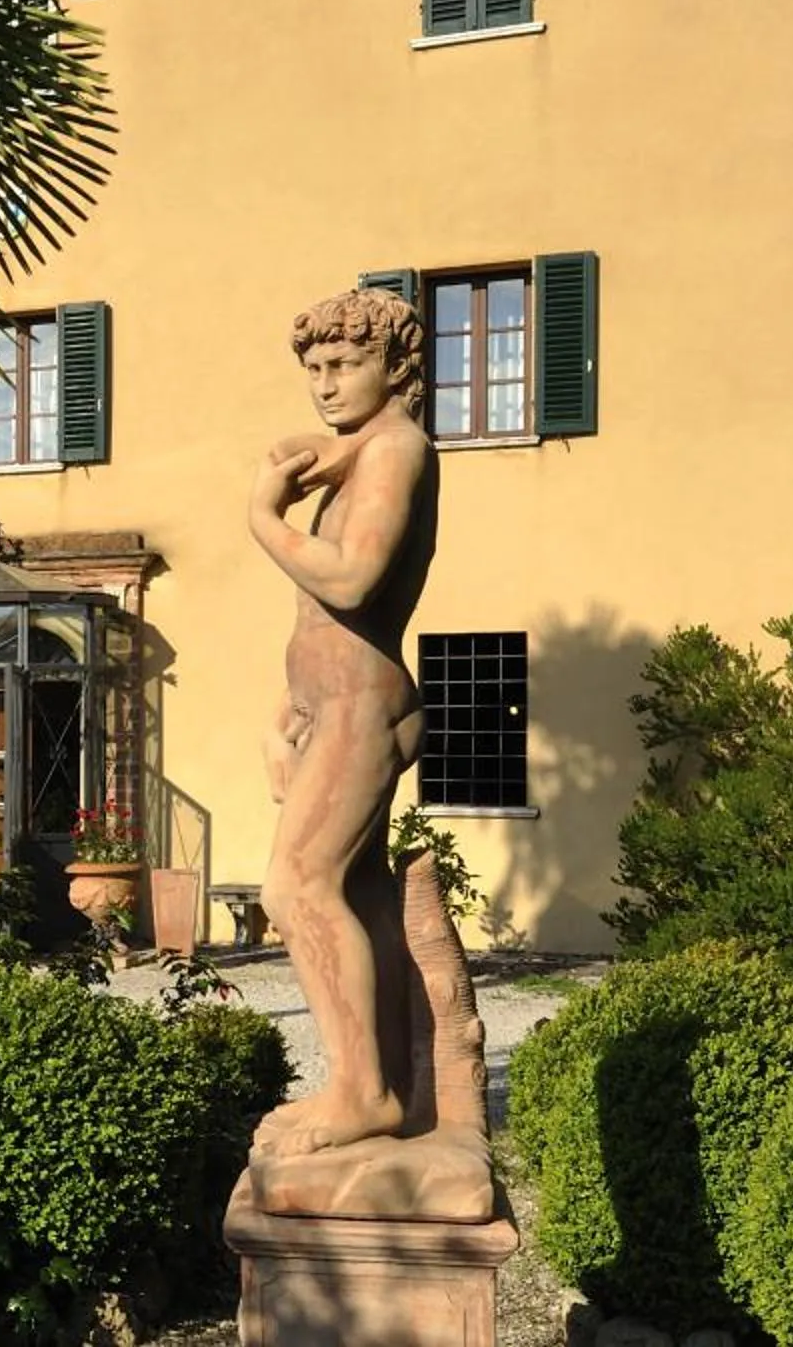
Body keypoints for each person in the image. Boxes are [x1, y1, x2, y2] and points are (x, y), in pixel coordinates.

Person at [245, 286, 439, 1159]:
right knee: (356, 895)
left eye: (343, 364)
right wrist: (288, 707)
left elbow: (355, 583)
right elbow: (324, 618)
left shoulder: (397, 449)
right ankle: (378, 1084)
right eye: (313, 369)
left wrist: (261, 519)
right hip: (336, 705)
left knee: (295, 889)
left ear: (395, 366)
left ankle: (361, 1093)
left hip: (364, 705)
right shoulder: (361, 457)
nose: (323, 385)